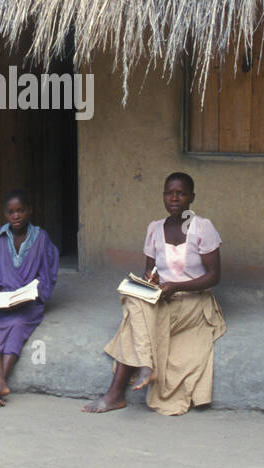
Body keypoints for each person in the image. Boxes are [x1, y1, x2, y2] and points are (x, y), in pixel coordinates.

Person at [82, 172, 226, 415]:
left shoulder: (203, 227)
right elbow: (150, 269)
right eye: (169, 193)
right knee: (133, 298)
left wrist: (177, 287)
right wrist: (152, 279)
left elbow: (214, 276)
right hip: (163, 296)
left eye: (181, 193)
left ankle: (120, 389)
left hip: (193, 300)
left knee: (131, 320)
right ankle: (138, 373)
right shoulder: (154, 228)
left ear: (192, 197)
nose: (174, 198)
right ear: (163, 196)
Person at [0, 189, 59, 406]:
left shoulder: (41, 238)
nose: (16, 216)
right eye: (11, 212)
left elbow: (46, 274)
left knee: (18, 325)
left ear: (29, 211)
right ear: (5, 214)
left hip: (27, 302)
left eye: (20, 210)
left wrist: (33, 293)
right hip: (3, 301)